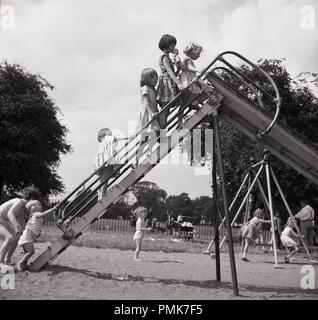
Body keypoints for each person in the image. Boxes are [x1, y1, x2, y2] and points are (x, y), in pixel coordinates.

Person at [0, 186, 40, 266]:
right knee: (10, 237)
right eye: (35, 204)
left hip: (2, 220)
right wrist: (16, 226)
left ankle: (7, 260)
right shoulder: (19, 201)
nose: (35, 206)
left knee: (17, 237)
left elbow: (24, 226)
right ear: (31, 199)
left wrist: (33, 232)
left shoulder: (22, 209)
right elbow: (10, 214)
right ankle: (0, 262)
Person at [178, 42, 215, 127]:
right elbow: (190, 67)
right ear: (192, 52)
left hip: (187, 78)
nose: (198, 56)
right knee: (205, 88)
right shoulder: (188, 59)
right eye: (198, 53)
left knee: (185, 103)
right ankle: (199, 103)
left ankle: (180, 121)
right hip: (189, 78)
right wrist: (198, 70)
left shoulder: (186, 59)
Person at [16, 200, 58, 271]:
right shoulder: (36, 214)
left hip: (28, 235)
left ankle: (24, 265)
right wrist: (53, 209)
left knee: (27, 252)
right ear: (33, 207)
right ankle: (20, 263)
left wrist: (37, 233)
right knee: (31, 252)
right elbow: (44, 214)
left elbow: (36, 224)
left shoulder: (34, 216)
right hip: (27, 236)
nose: (41, 206)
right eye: (39, 204)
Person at [157, 34, 184, 129]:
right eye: (172, 44)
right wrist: (178, 83)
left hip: (170, 82)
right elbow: (168, 70)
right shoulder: (164, 57)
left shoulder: (168, 57)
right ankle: (161, 132)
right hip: (166, 83)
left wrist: (178, 68)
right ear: (167, 45)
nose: (174, 47)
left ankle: (163, 130)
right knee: (165, 108)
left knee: (167, 108)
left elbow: (172, 72)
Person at [93, 128, 127, 201]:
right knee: (105, 178)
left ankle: (100, 193)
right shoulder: (107, 139)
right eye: (110, 133)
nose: (111, 134)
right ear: (104, 135)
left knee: (102, 179)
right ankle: (103, 194)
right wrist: (128, 137)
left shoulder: (103, 142)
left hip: (99, 160)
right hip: (106, 161)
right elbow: (116, 138)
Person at [135, 68, 160, 166]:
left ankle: (148, 150)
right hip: (147, 114)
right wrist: (152, 113)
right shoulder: (145, 88)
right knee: (144, 138)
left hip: (152, 113)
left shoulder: (153, 90)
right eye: (153, 77)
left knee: (154, 134)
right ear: (146, 78)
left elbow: (154, 103)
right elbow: (146, 101)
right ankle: (136, 159)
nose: (155, 79)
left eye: (156, 77)